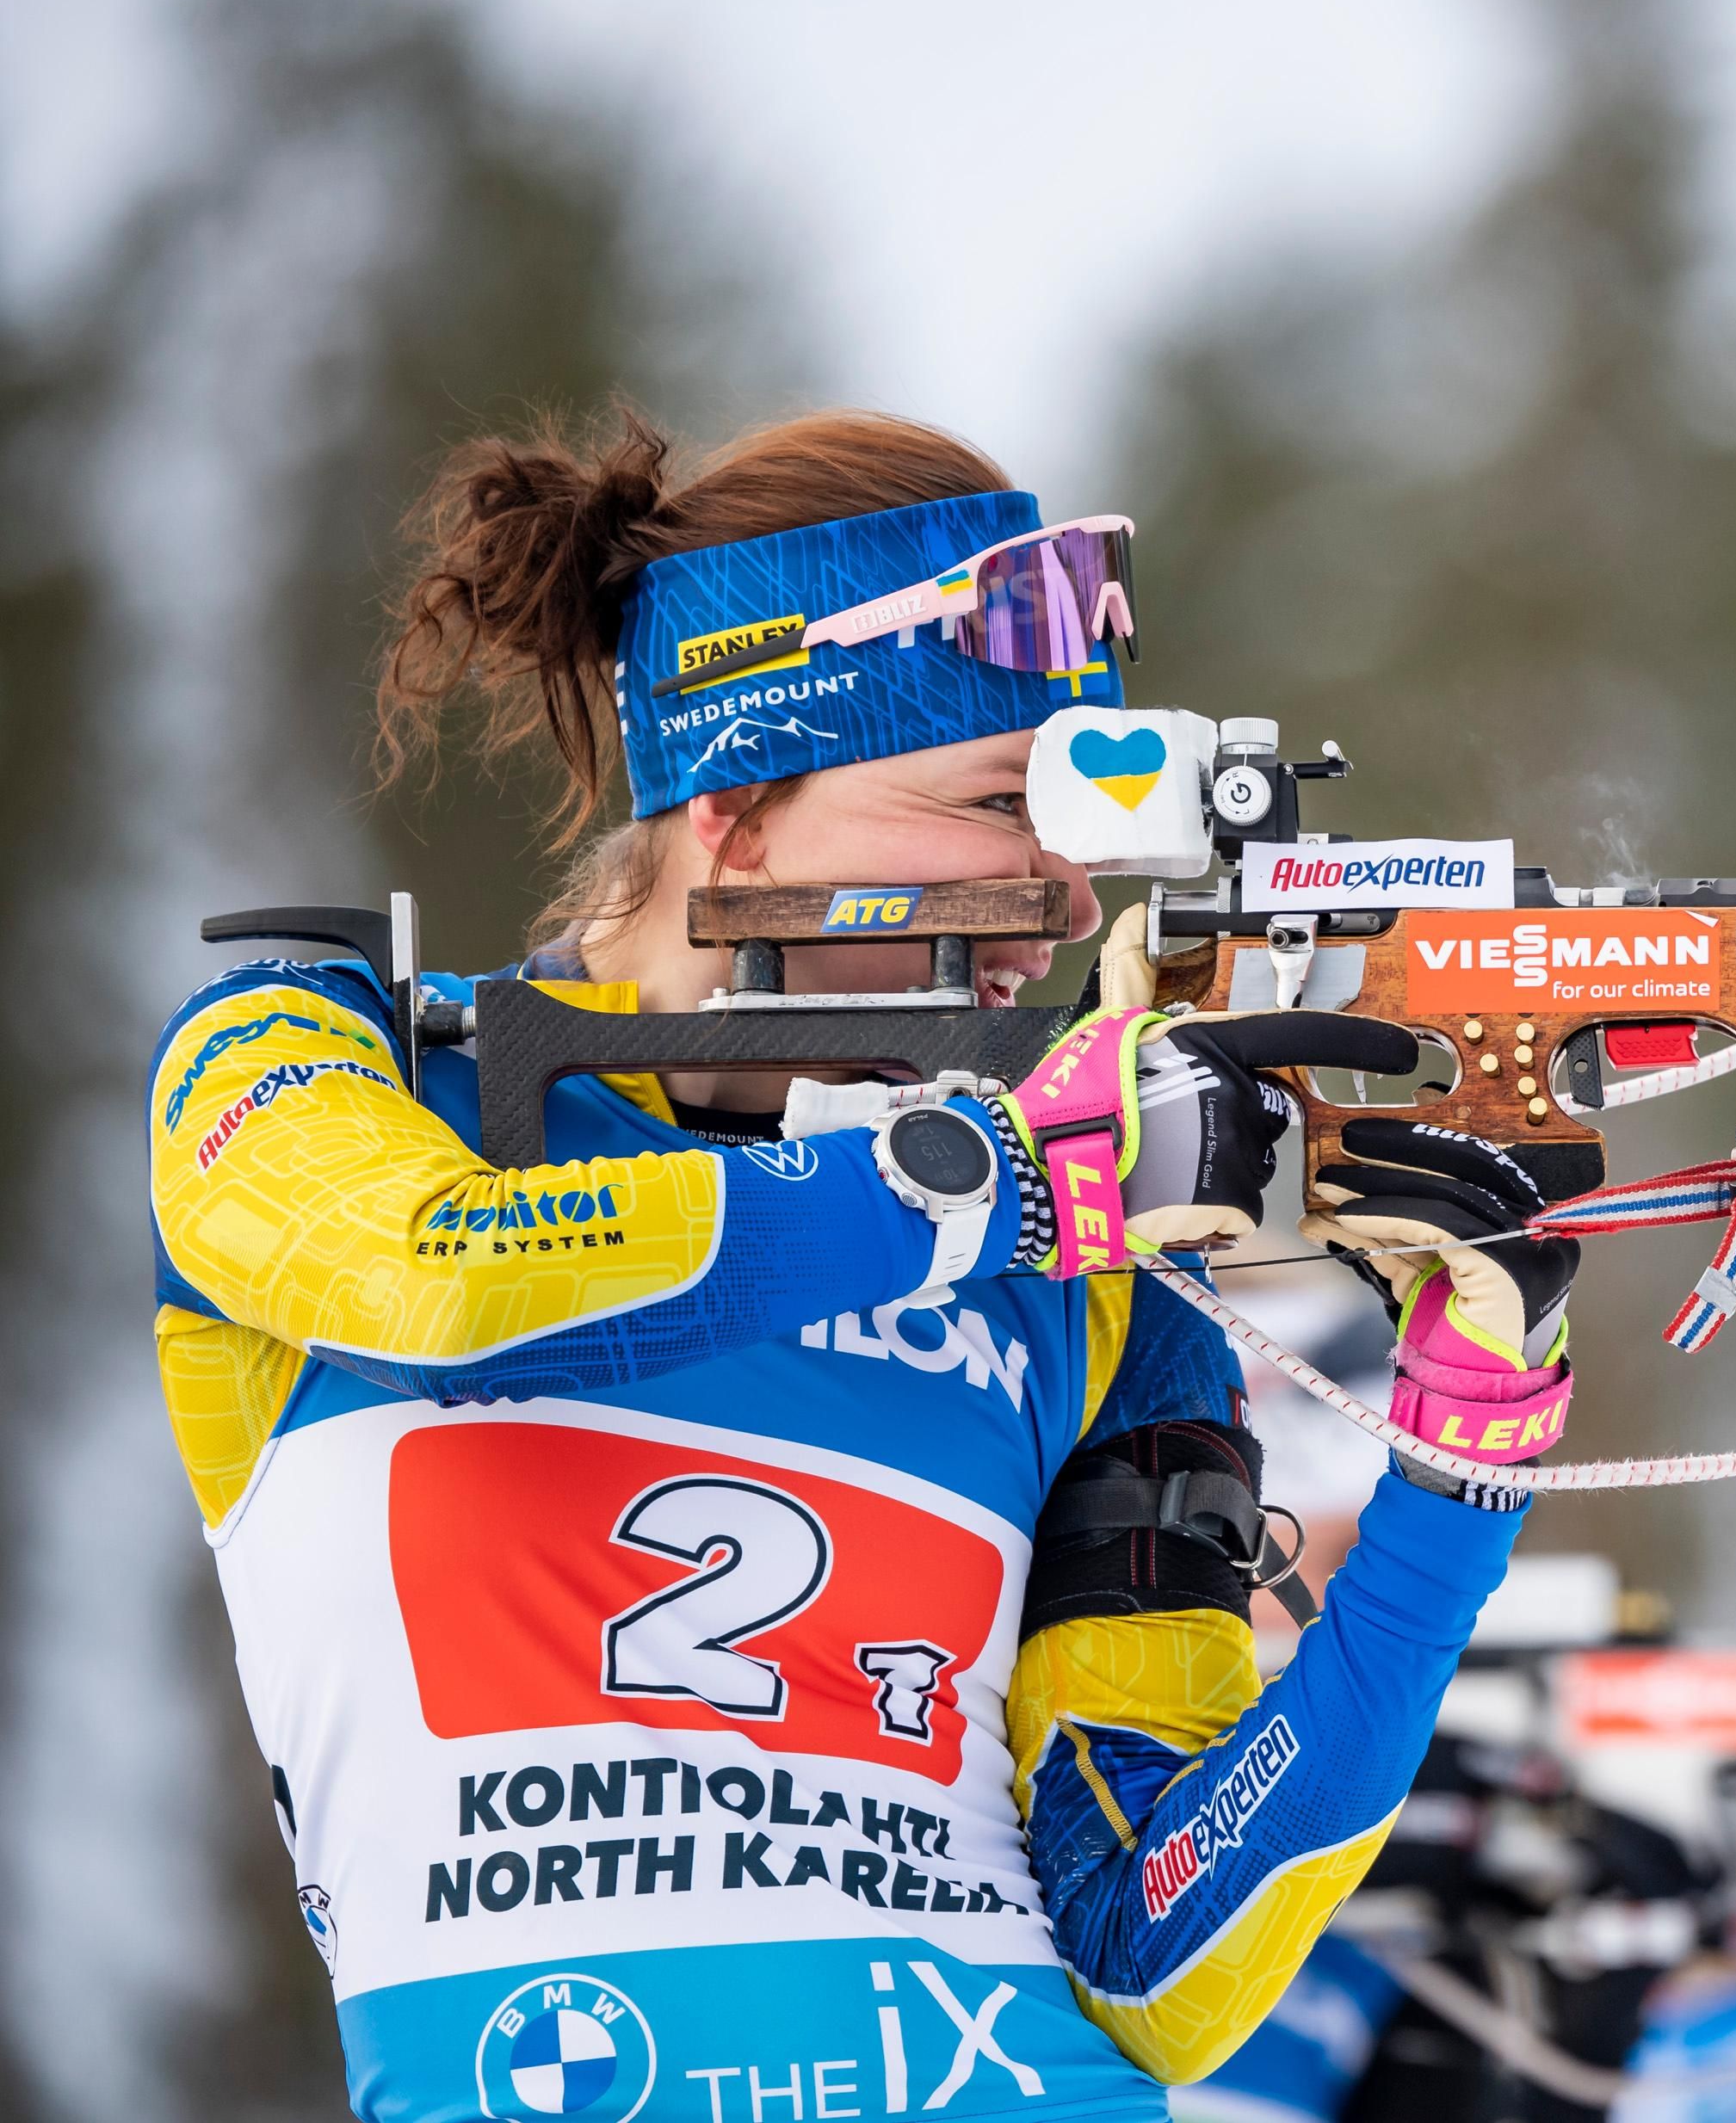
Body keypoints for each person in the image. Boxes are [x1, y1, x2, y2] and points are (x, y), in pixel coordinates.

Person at [143, 406, 1578, 2120]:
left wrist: (1459, 1459)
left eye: (1082, 826)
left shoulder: (1088, 1282)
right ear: (738, 814)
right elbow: (430, 1276)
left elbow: (1159, 1959)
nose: (1060, 899)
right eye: (1001, 806)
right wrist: (997, 1190)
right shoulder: (326, 1059)